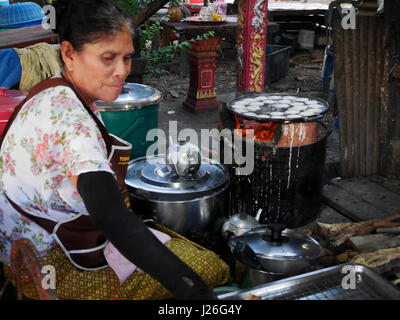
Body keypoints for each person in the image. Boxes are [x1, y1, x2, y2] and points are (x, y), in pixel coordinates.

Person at [0, 0, 229, 300]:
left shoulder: (53, 87)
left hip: (27, 243)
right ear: (69, 54)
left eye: (126, 58)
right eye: (108, 58)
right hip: (51, 263)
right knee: (210, 268)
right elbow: (110, 217)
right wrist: (194, 292)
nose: (121, 71)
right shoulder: (71, 121)